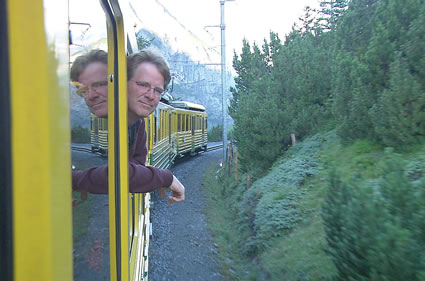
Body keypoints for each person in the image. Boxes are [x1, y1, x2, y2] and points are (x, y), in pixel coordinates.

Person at [71, 49, 184, 204]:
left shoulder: (136, 122)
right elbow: (121, 175)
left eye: (157, 90)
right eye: (143, 85)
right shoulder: (114, 118)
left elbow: (127, 174)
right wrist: (167, 177)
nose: (150, 96)